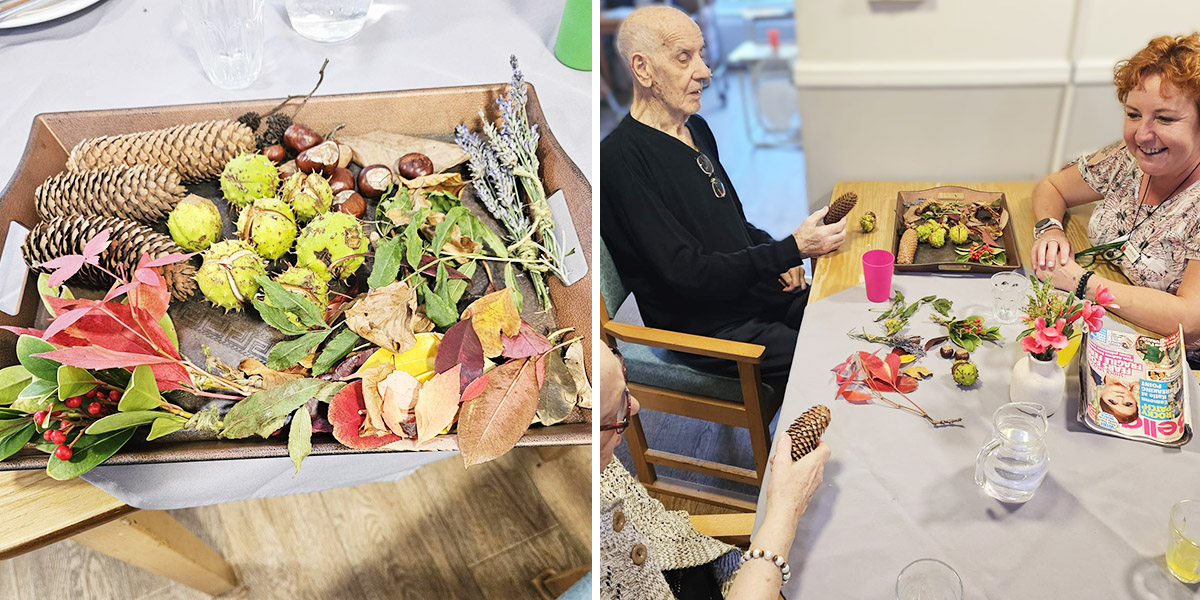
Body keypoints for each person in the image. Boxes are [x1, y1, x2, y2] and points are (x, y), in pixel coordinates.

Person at [600, 5, 846, 391]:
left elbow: (733, 224)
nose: (705, 71)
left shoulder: (695, 127)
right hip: (707, 326)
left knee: (844, 319)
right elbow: (687, 274)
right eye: (684, 57)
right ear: (643, 69)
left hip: (748, 292)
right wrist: (788, 250)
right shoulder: (618, 161)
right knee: (830, 361)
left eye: (701, 54)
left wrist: (780, 255)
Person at [599, 343, 830, 599]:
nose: (635, 406)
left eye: (620, 366)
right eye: (616, 411)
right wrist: (786, 509)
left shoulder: (602, 461)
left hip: (703, 569)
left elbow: (649, 525)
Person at [1030, 34, 1200, 362]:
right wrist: (1050, 229)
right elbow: (1052, 187)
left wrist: (1081, 282)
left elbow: (1190, 323)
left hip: (1169, 359)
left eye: (1165, 118)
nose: (1142, 134)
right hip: (1111, 319)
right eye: (1133, 114)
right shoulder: (1127, 158)